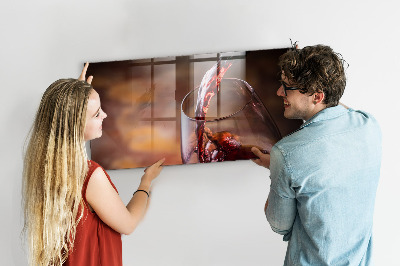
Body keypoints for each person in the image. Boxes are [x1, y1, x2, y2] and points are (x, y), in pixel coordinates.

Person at [22, 63, 165, 266]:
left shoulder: (44, 168)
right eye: (97, 114)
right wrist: (146, 182)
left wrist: (76, 96)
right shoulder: (90, 176)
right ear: (76, 124)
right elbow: (128, 223)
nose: (104, 116)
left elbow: (64, 119)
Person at [251, 44, 382, 265]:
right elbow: (336, 109)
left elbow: (279, 225)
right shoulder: (369, 125)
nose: (279, 92)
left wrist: (277, 168)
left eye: (287, 87)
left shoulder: (286, 153)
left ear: (317, 95)